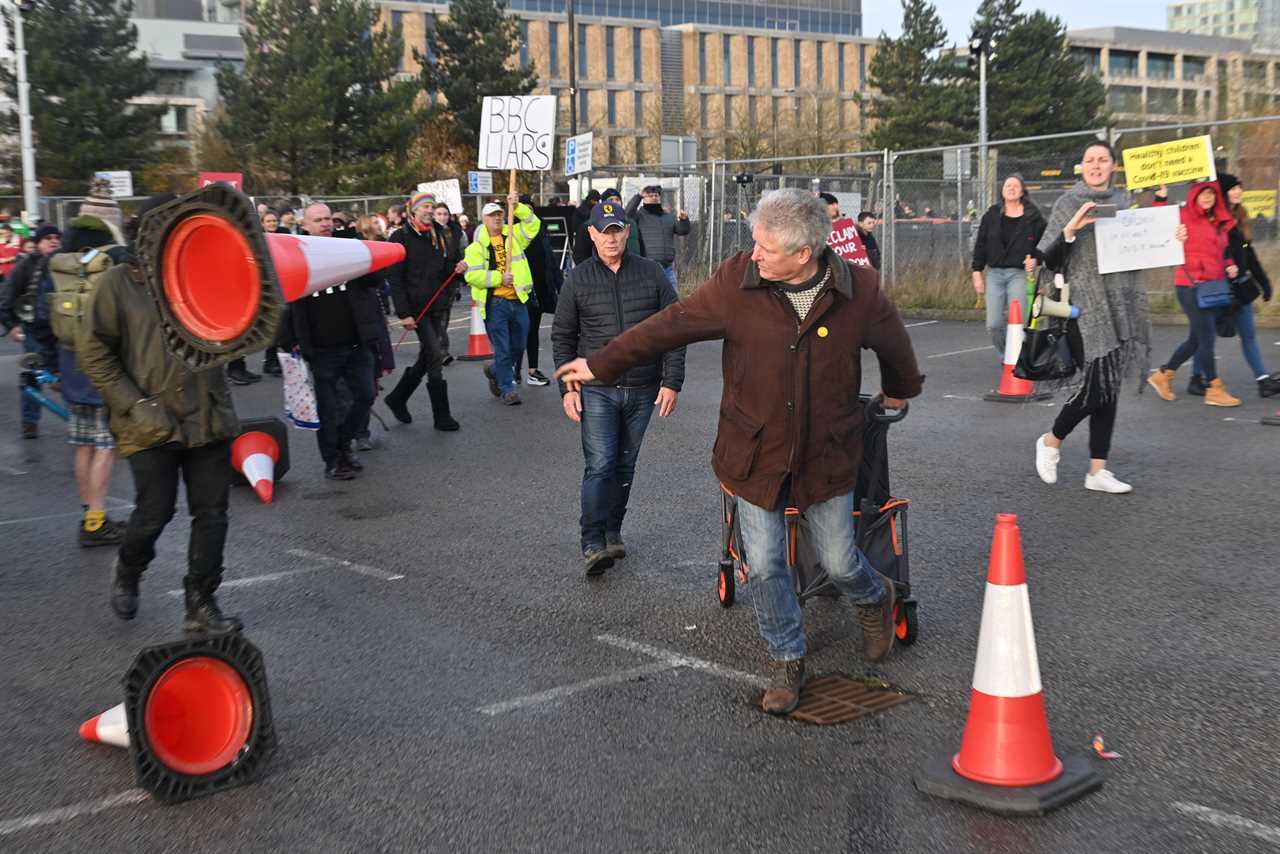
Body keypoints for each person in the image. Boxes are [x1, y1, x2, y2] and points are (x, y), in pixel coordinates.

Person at [556, 189, 922, 714]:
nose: (754, 253)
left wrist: (900, 385)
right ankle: (786, 658)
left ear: (804, 254)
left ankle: (873, 597)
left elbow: (892, 342)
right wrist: (602, 363)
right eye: (754, 241)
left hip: (828, 451)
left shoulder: (856, 289)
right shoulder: (738, 280)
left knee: (841, 561)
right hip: (754, 449)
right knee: (767, 563)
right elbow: (671, 323)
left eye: (766, 247)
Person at [79, 193, 242, 633]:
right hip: (149, 420)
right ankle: (129, 568)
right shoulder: (117, 282)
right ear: (145, 230)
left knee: (212, 513)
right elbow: (94, 352)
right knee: (156, 511)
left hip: (207, 414)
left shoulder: (201, 272)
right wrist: (134, 404)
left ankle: (201, 601)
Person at [1033, 142, 1186, 495]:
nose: (1096, 165)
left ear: (1113, 167)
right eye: (1090, 160)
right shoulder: (1067, 203)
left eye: (1103, 160)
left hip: (1119, 305)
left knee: (1110, 385)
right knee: (1096, 385)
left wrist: (1172, 235)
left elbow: (1147, 242)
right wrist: (1070, 229)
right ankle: (1051, 440)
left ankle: (1097, 470)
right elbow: (1050, 259)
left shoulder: (1120, 204)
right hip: (1083, 308)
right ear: (1081, 166)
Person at [553, 201, 685, 575]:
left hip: (643, 388)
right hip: (597, 388)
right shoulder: (578, 279)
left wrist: (672, 381)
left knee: (625, 464)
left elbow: (674, 331)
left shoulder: (652, 273)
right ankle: (592, 540)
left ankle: (613, 531)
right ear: (591, 234)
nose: (611, 239)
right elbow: (563, 338)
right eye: (603, 232)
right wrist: (569, 388)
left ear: (627, 232)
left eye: (617, 230)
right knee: (600, 464)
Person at [277, 203, 384, 479]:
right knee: (329, 408)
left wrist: (372, 251)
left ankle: (343, 444)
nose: (325, 223)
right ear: (306, 225)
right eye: (318, 220)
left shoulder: (349, 247)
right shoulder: (294, 252)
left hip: (356, 340)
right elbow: (284, 301)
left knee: (365, 395)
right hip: (321, 347)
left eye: (328, 219)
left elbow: (375, 281)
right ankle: (334, 460)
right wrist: (289, 340)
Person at [54, 216, 127, 547]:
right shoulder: (109, 265)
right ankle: (96, 522)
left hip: (70, 366)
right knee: (106, 447)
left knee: (83, 444)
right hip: (102, 368)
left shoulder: (58, 267)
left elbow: (44, 317)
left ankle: (89, 514)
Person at [1147, 181, 1242, 407]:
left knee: (1197, 338)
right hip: (1190, 285)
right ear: (1194, 196)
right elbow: (1159, 222)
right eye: (1203, 193)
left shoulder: (1216, 220)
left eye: (1211, 193)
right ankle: (1214, 387)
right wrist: (1161, 197)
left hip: (1212, 286)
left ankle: (1163, 375)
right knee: (1206, 337)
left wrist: (1229, 264)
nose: (1207, 197)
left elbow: (1223, 250)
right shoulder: (1184, 215)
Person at [382, 192, 462, 430]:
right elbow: (394, 279)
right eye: (425, 207)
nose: (429, 211)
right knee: (435, 354)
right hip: (417, 308)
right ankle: (442, 416)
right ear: (413, 210)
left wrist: (457, 268)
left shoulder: (438, 234)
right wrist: (403, 312)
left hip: (438, 304)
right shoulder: (400, 237)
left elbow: (444, 266)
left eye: (432, 206)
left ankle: (397, 398)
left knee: (427, 355)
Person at [464, 193, 541, 405]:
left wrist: (517, 207)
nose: (497, 218)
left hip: (518, 301)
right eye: (492, 215)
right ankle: (507, 389)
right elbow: (471, 276)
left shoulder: (513, 236)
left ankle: (495, 369)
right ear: (484, 220)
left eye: (500, 214)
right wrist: (499, 278)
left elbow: (534, 224)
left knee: (518, 346)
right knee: (504, 349)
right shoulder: (475, 247)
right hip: (496, 305)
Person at [972, 175, 1046, 355]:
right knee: (994, 324)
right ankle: (1008, 358)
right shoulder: (991, 215)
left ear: (1022, 191)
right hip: (994, 274)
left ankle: (1019, 361)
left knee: (1018, 323)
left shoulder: (1033, 217)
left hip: (1019, 275)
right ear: (1002, 190)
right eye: (1007, 185)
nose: (1011, 188)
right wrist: (976, 272)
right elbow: (980, 243)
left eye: (1015, 186)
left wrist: (1036, 259)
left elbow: (1046, 242)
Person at [1219, 173, 1278, 397]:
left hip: (1241, 288)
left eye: (1239, 188)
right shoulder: (1217, 220)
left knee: (1248, 334)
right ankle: (1187, 375)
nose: (1239, 192)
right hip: (1220, 288)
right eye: (1234, 188)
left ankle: (1263, 380)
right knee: (1201, 337)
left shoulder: (1240, 216)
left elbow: (1249, 254)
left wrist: (1264, 282)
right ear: (1223, 192)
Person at [1, 224, 62, 439]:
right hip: (34, 333)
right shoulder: (25, 266)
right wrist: (13, 325)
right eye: (48, 238)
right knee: (32, 377)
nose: (54, 241)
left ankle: (81, 420)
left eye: (57, 237)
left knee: (69, 377)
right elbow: (7, 299)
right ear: (38, 242)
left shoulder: (64, 265)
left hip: (62, 333)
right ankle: (30, 421)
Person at [515, 193, 563, 387]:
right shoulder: (513, 231)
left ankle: (532, 371)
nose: (528, 212)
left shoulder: (539, 228)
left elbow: (549, 258)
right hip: (522, 289)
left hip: (541, 288)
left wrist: (559, 284)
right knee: (520, 331)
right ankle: (514, 371)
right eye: (524, 208)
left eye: (531, 208)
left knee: (532, 330)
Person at [625, 185, 691, 293]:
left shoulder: (668, 217)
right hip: (648, 269)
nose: (654, 197)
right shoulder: (639, 216)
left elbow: (682, 231)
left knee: (673, 302)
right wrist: (638, 196)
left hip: (668, 269)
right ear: (644, 199)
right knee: (651, 301)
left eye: (656, 195)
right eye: (650, 195)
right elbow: (626, 215)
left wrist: (684, 220)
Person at [432, 201, 467, 364]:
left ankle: (440, 349)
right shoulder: (429, 231)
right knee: (437, 315)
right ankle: (438, 349)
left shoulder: (457, 231)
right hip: (434, 278)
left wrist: (462, 269)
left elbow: (463, 251)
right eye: (439, 214)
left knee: (445, 313)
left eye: (445, 214)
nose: (442, 217)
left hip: (452, 276)